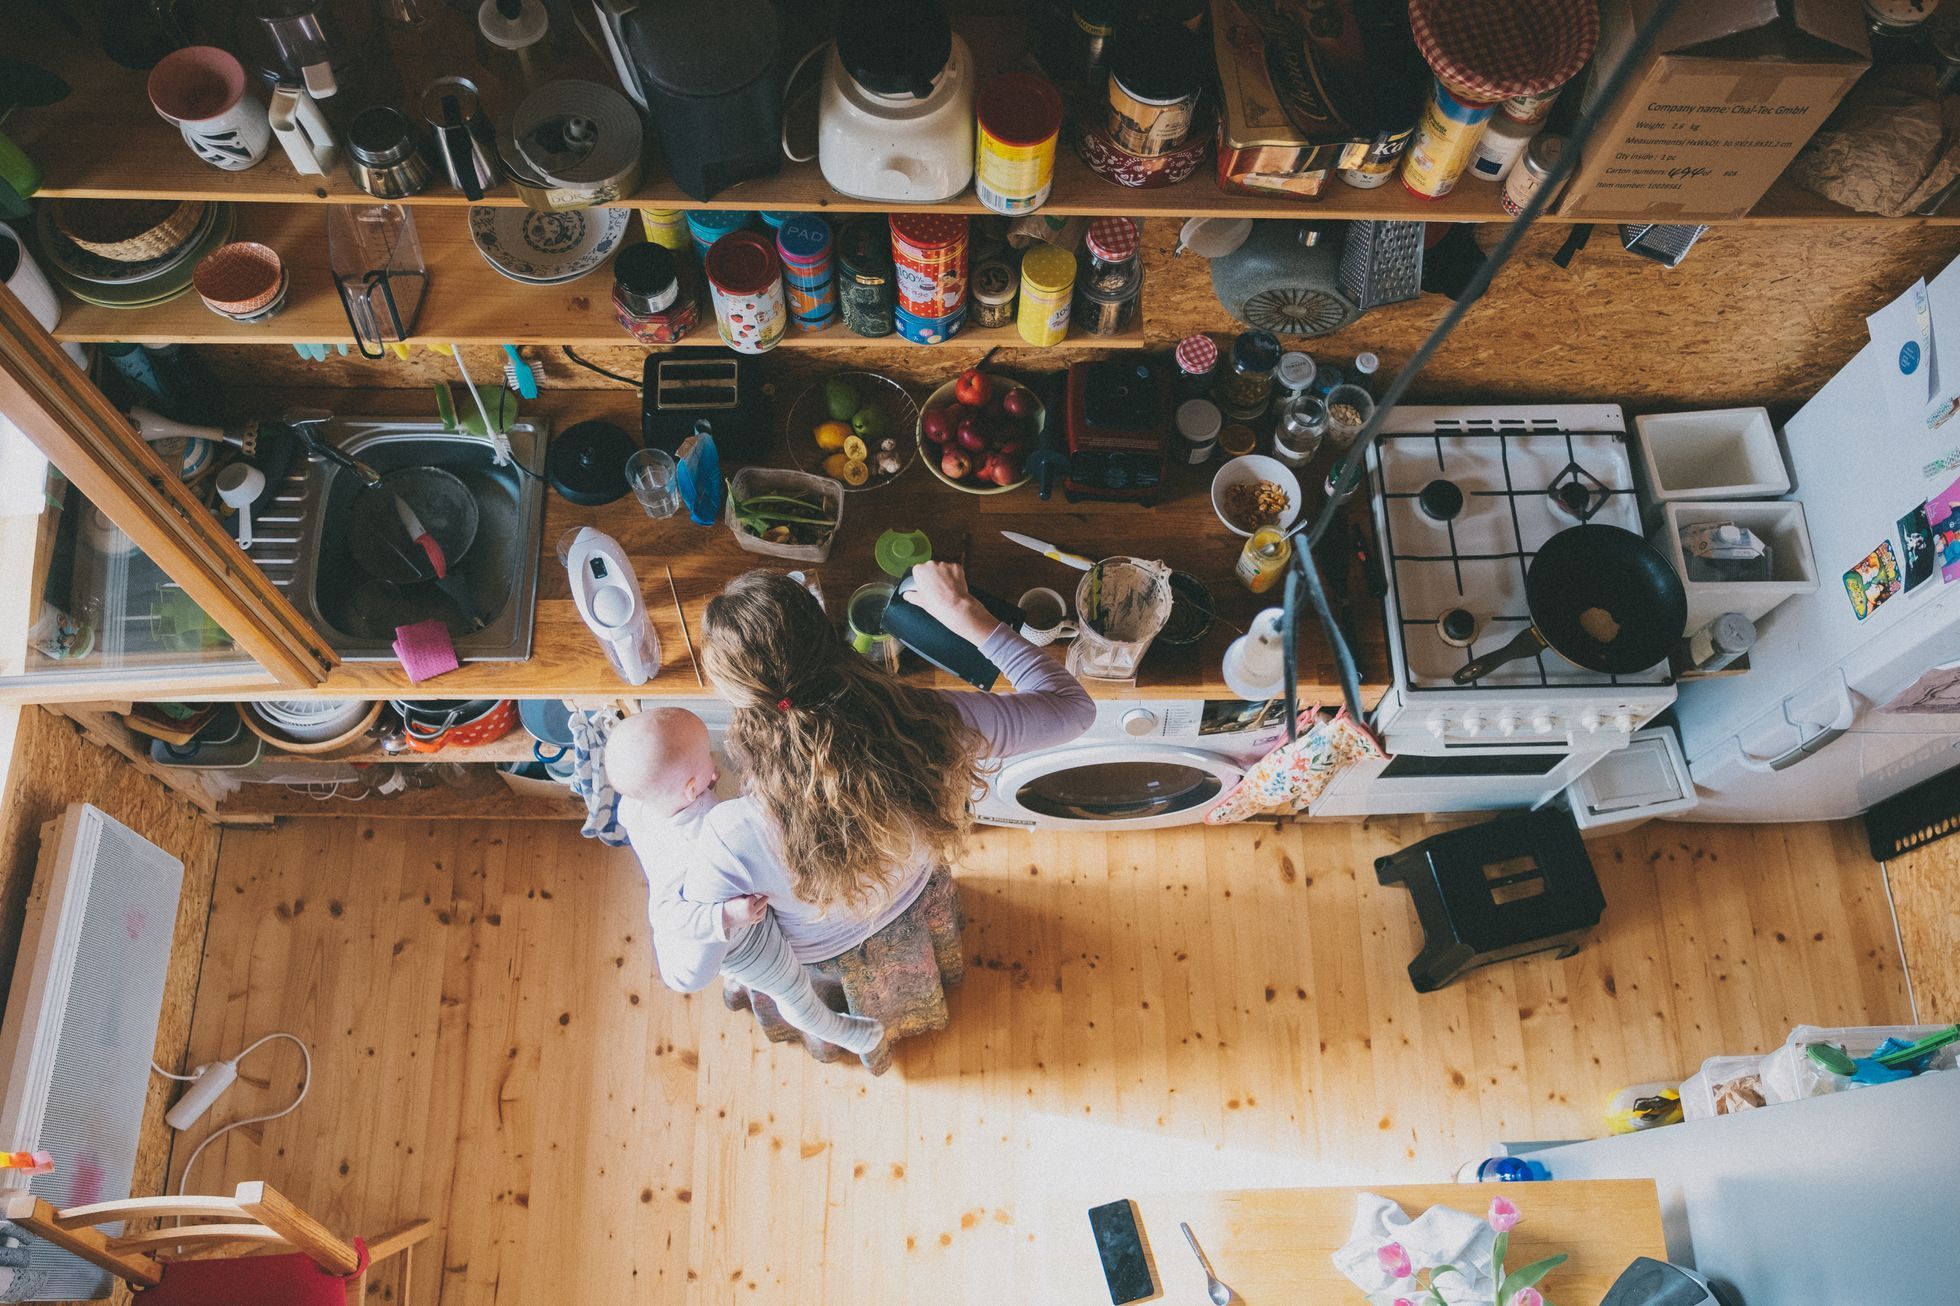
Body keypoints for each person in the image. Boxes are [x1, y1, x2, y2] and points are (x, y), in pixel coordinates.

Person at [658, 563, 1094, 1072]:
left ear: (736, 695)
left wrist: (665, 862)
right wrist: (964, 613)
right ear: (831, 640)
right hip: (911, 899)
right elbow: (1074, 709)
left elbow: (690, 970)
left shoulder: (731, 833)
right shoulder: (931, 723)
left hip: (824, 955)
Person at [610, 707, 887, 1056]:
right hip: (745, 940)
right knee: (793, 989)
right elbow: (666, 915)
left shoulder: (638, 806)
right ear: (691, 788)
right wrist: (726, 916)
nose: (714, 762)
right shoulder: (692, 844)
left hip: (721, 912)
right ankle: (839, 1031)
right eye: (707, 757)